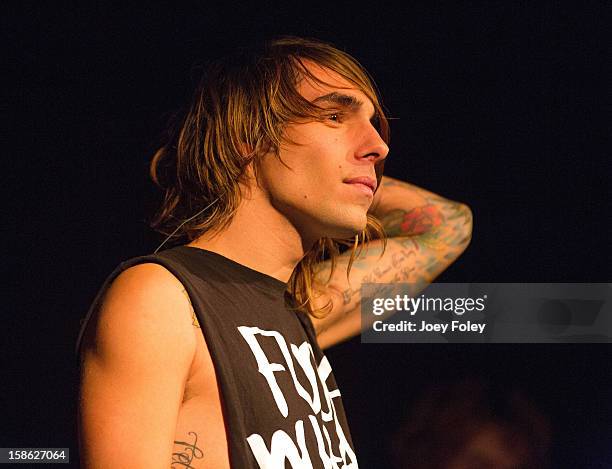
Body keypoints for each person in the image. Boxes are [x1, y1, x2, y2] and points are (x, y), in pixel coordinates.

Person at [76, 36, 472, 468]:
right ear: (249, 135)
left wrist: (353, 181)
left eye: (374, 123)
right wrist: (223, 160)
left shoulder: (300, 306)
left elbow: (447, 226)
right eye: (335, 116)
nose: (379, 146)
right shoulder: (163, 299)